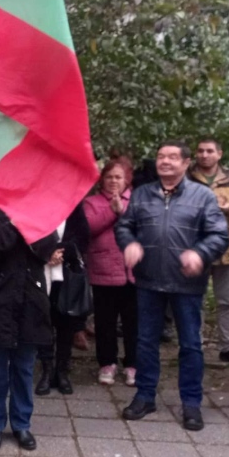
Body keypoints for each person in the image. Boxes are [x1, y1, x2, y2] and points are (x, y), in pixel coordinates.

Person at [115, 141, 229, 432]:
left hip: (186, 283)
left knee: (190, 345)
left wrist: (200, 253)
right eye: (160, 156)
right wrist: (129, 244)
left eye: (172, 157)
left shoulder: (202, 196)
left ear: (186, 163)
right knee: (145, 342)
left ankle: (191, 403)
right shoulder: (142, 193)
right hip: (149, 280)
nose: (165, 161)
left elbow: (219, 235)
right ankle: (144, 396)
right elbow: (124, 226)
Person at [0, 200, 51, 452]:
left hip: (29, 300)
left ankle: (21, 423)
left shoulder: (38, 210)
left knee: (24, 367)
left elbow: (45, 248)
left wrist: (27, 221)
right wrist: (16, 225)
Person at [188, 139, 229, 368]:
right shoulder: (187, 177)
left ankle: (228, 347)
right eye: (200, 150)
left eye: (209, 151)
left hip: (228, 246)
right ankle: (192, 346)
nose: (204, 155)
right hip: (196, 247)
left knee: (227, 301)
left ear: (219, 154)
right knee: (193, 299)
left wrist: (228, 208)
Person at [83, 158, 137, 387]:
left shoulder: (138, 200)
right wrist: (113, 213)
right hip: (104, 270)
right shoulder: (92, 202)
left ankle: (134, 364)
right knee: (105, 322)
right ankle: (107, 363)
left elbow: (145, 227)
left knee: (134, 322)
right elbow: (89, 228)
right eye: (109, 177)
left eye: (118, 177)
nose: (113, 181)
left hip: (134, 272)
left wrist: (123, 211)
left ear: (127, 180)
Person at [34, 203, 89, 396]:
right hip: (41, 271)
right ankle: (47, 370)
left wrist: (60, 251)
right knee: (44, 322)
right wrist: (46, 253)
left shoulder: (73, 205)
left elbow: (83, 237)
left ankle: (62, 370)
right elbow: (29, 232)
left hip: (67, 273)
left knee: (66, 323)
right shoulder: (37, 202)